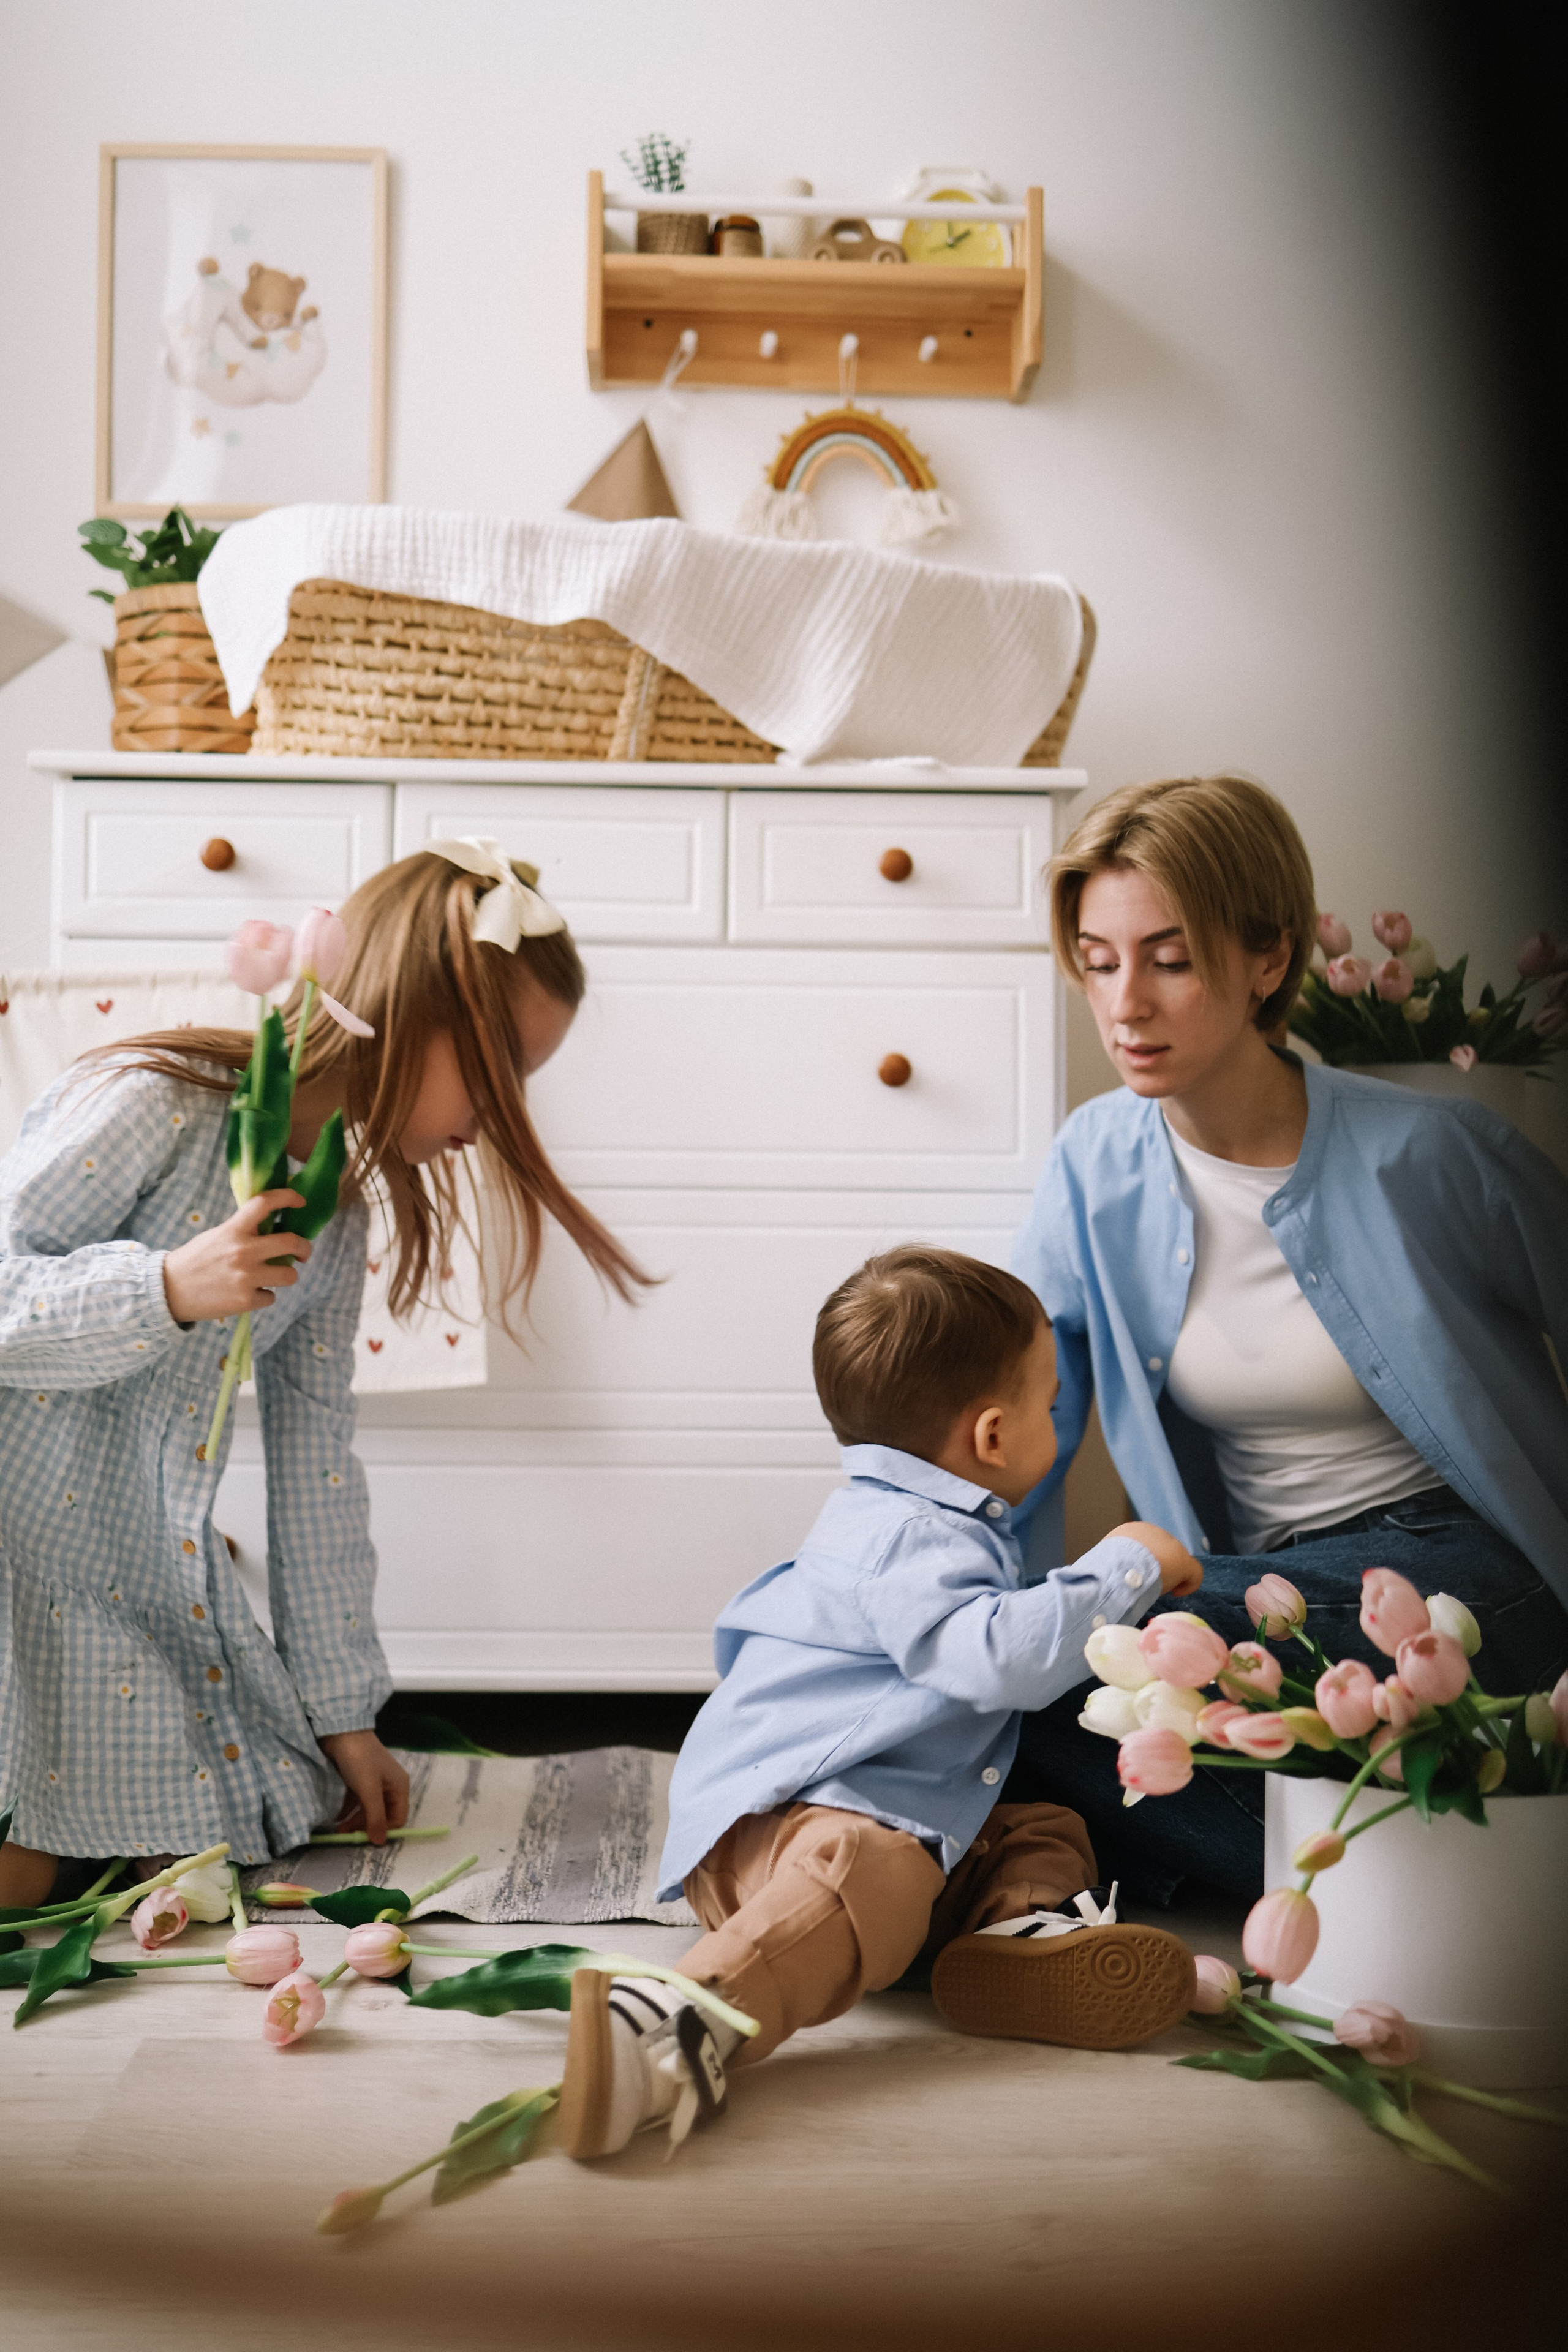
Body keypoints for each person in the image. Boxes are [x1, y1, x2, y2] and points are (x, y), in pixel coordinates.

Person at [0, 840, 649, 1909]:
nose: (501, 1116)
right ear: (411, 1009)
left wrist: (348, 1715)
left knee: (261, 1822)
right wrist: (165, 1284)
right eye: (505, 1069)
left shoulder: (334, 1221)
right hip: (26, 1561)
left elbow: (317, 1474)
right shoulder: (151, 1100)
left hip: (143, 1582)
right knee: (26, 1876)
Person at [1008, 773, 1568, 1900]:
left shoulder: (1434, 1153)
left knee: (1117, 1667)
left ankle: (1083, 1868)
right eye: (1100, 960)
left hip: (1459, 1578)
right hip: (1253, 1584)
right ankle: (1429, 1863)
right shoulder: (1091, 1162)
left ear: (1267, 959)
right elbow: (1029, 1411)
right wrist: (984, 1602)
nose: (1126, 1006)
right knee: (1009, 1686)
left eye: (1169, 959)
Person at [554, 1246, 1203, 2163]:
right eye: (1051, 1402)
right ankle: (674, 2019)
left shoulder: (915, 1521)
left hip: (874, 1819)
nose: (1060, 1419)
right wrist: (1126, 1559)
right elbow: (1002, 1659)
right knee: (872, 1867)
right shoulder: (910, 1536)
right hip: (783, 1827)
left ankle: (1019, 1940)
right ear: (990, 1437)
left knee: (1038, 1830)